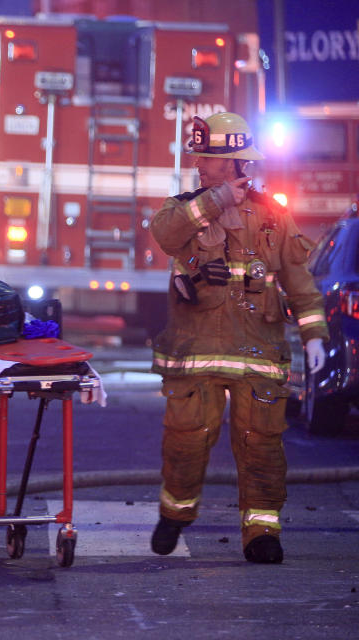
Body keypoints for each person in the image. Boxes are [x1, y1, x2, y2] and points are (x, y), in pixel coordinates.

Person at [149, 112, 329, 563]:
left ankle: (262, 532)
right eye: (198, 156)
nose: (199, 164)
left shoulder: (274, 217)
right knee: (186, 441)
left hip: (259, 354)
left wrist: (314, 337)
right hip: (197, 356)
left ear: (234, 163)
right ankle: (176, 513)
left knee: (261, 445)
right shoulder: (185, 208)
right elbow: (165, 234)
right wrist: (212, 202)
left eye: (208, 158)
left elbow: (299, 282)